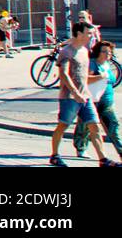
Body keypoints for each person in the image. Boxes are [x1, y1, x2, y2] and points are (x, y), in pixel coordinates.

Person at [50, 21, 119, 166]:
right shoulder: (67, 52)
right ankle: (55, 155)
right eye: (89, 33)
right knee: (63, 125)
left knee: (94, 126)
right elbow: (63, 74)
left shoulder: (84, 51)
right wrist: (75, 93)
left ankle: (103, 159)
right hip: (69, 97)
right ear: (79, 33)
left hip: (85, 97)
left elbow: (84, 76)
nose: (91, 36)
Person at [73, 40, 122, 159]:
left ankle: (120, 152)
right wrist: (100, 77)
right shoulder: (93, 64)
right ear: (98, 52)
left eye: (109, 52)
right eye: (104, 52)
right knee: (85, 125)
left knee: (113, 126)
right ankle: (81, 147)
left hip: (106, 102)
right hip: (92, 100)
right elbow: (85, 79)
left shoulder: (107, 65)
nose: (107, 54)